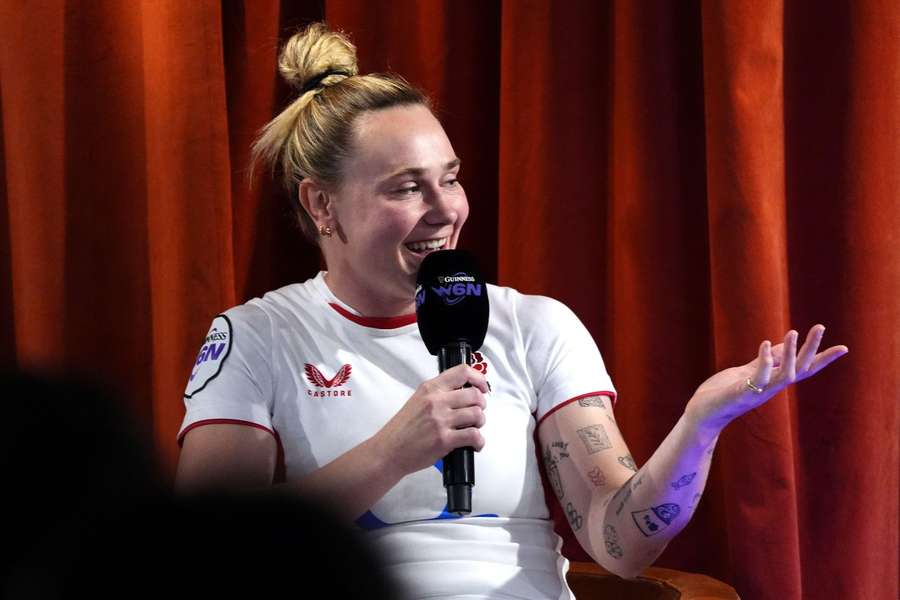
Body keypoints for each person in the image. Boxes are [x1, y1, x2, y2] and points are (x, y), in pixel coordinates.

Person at [174, 22, 849, 599]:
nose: (447, 211)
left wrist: (701, 424)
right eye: (408, 188)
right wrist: (390, 453)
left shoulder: (533, 325)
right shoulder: (257, 335)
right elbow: (210, 551)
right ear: (322, 204)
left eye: (451, 177)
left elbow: (619, 542)